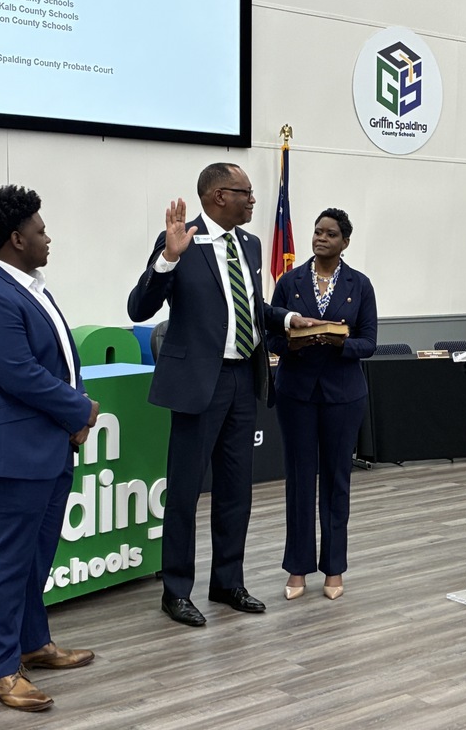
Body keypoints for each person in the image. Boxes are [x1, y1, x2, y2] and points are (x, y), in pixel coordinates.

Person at [128, 163, 315, 627]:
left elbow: (251, 307)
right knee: (187, 492)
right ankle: (176, 590)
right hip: (198, 384)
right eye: (245, 194)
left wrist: (289, 320)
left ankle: (227, 581)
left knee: (236, 491)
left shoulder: (248, 245)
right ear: (217, 196)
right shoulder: (181, 240)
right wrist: (167, 260)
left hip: (241, 380)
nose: (253, 201)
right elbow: (139, 306)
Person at [0, 185, 99, 712]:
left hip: (46, 444)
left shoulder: (27, 285)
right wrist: (80, 410)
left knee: (36, 557)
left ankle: (33, 644)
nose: (47, 237)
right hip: (12, 450)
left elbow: (53, 362)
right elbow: (21, 375)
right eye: (39, 231)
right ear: (16, 239)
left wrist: (72, 410)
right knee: (8, 560)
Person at [266, 208, 378, 601]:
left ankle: (334, 569)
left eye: (330, 234)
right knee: (299, 480)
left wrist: (338, 342)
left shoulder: (359, 285)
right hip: (296, 393)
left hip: (343, 395)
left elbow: (369, 342)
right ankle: (297, 569)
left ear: (345, 242)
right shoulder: (290, 281)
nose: (321, 238)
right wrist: (296, 340)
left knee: (336, 480)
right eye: (317, 232)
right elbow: (272, 337)